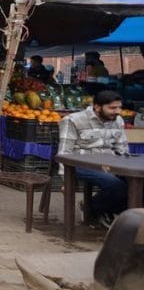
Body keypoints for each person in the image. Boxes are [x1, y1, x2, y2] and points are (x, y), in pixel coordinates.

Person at [57, 89, 129, 227]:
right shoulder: (73, 120)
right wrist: (65, 180)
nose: (118, 111)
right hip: (82, 164)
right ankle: (92, 209)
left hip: (110, 163)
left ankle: (111, 210)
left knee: (138, 182)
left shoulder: (117, 120)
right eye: (112, 108)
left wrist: (125, 167)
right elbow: (64, 153)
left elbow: (122, 148)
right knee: (115, 186)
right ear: (97, 107)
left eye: (119, 107)